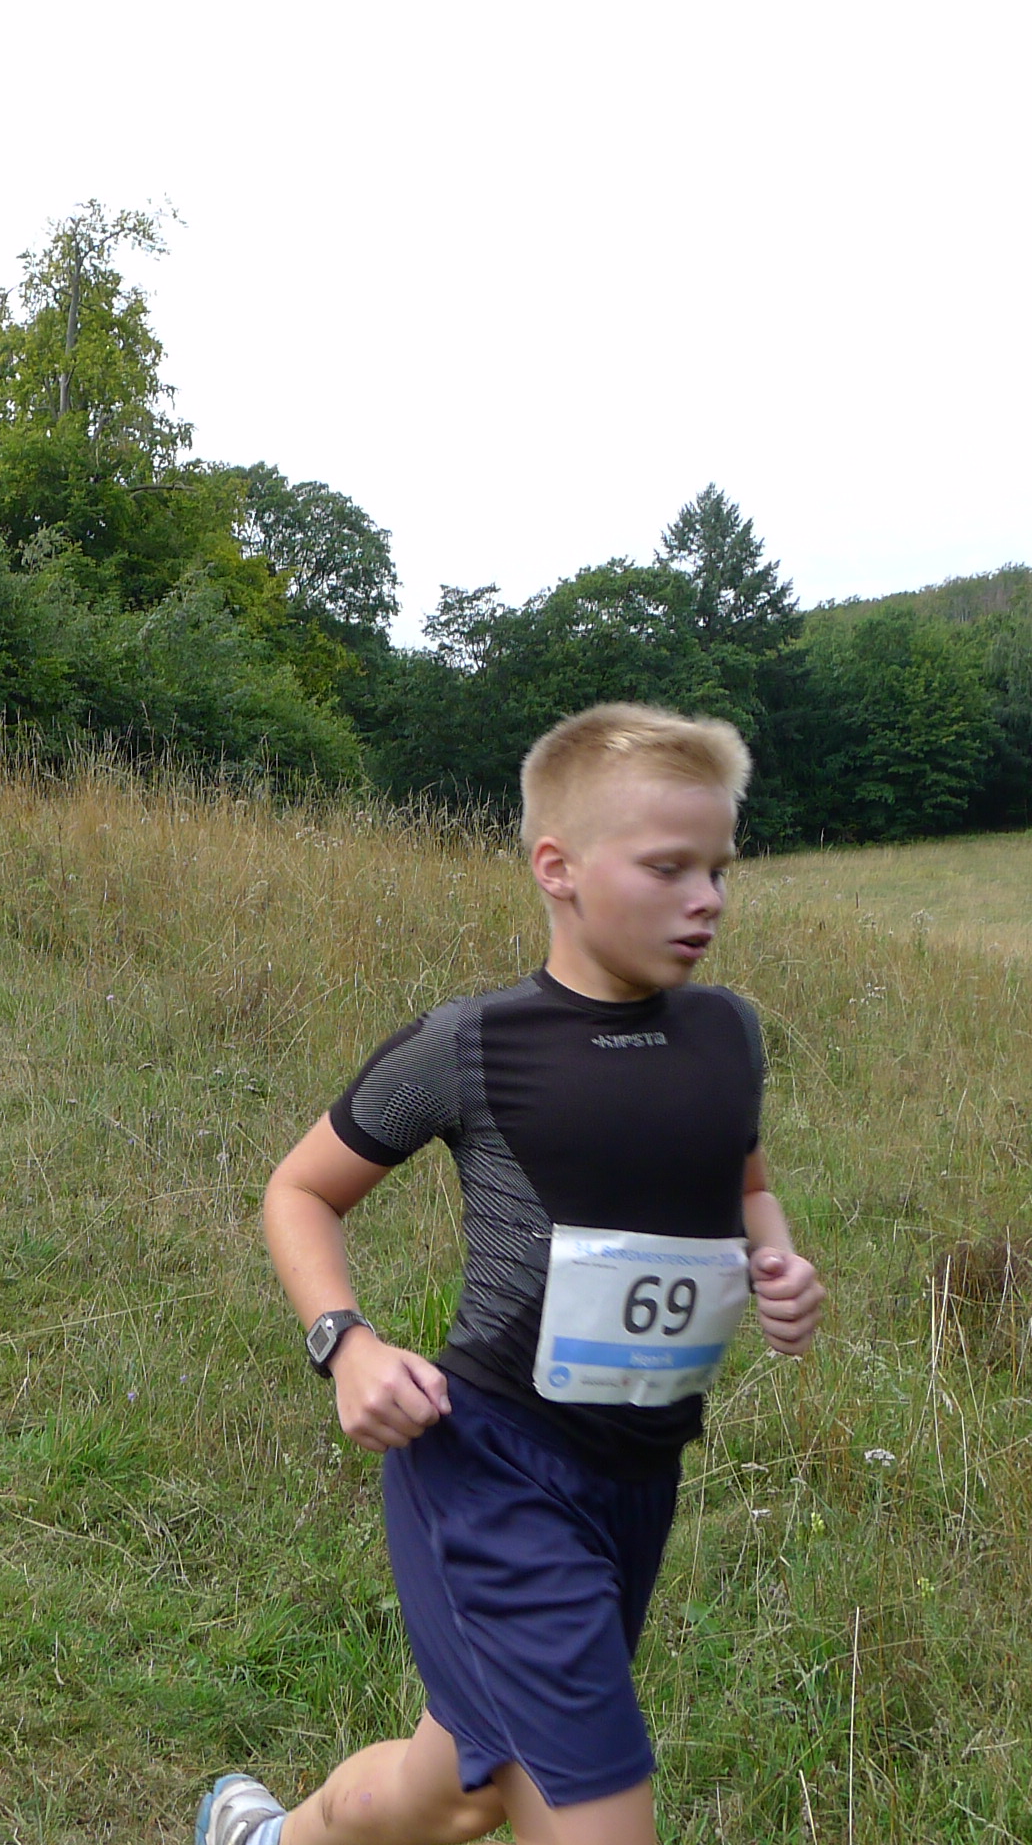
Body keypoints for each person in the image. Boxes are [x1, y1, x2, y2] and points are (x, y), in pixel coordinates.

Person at [198, 703, 827, 1845]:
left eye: (720, 870)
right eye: (668, 868)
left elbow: (744, 1186)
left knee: (461, 1790)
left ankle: (268, 1839)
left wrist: (776, 1260)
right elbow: (299, 1192)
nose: (707, 899)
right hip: (492, 1466)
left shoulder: (728, 1034)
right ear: (558, 868)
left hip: (638, 1475)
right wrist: (347, 1342)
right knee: (587, 1808)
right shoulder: (471, 1044)